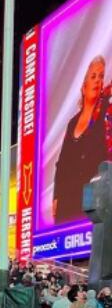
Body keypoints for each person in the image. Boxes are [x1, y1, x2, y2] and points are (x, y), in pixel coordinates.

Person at [51, 56, 108, 225]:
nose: (98, 80)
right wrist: (56, 196)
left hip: (92, 196)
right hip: (68, 199)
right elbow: (61, 164)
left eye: (101, 76)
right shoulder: (72, 123)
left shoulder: (104, 114)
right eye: (93, 76)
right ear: (84, 86)